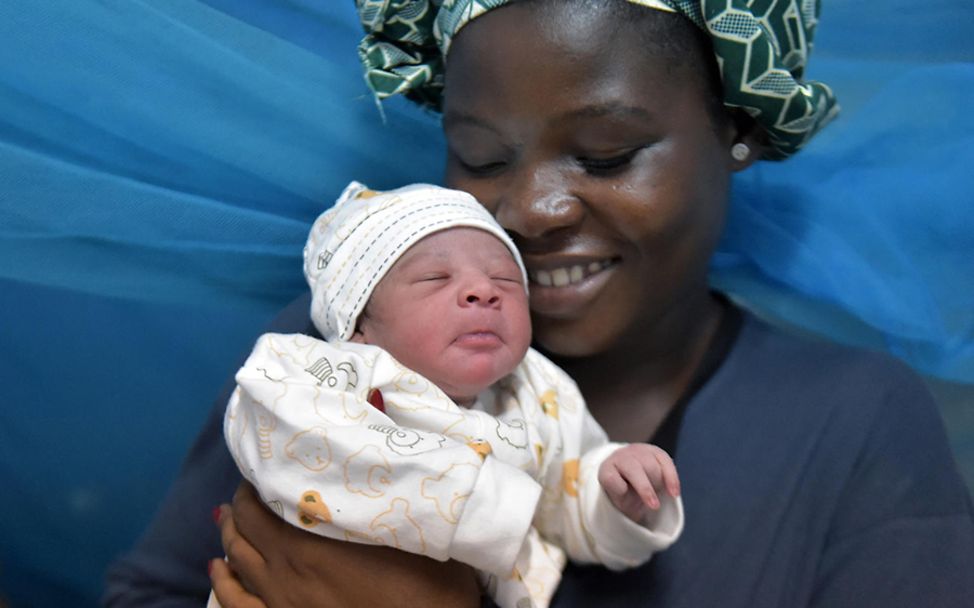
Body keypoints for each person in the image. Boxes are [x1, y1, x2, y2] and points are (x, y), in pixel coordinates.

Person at [105, 1, 974, 606]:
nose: (529, 210)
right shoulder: (341, 355)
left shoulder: (849, 425)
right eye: (481, 158)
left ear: (738, 128)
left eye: (605, 153)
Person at [209, 180, 683, 608]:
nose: (483, 291)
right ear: (359, 328)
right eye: (436, 279)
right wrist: (475, 502)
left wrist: (616, 498)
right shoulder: (333, 373)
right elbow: (283, 426)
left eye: (505, 280)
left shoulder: (537, 392)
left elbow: (564, 504)